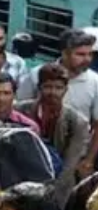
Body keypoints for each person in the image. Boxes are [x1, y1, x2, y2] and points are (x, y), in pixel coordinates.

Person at [17, 29, 98, 176]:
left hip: (75, 157)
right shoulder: (37, 74)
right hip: (35, 155)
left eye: (90, 54)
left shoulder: (95, 82)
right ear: (65, 53)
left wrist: (88, 161)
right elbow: (18, 112)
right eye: (80, 54)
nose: (87, 59)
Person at [19, 62, 89, 204]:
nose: (53, 92)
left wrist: (52, 191)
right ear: (39, 88)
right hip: (22, 178)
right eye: (48, 87)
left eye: (58, 88)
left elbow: (70, 164)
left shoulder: (77, 122)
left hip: (59, 184)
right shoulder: (20, 111)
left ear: (65, 90)